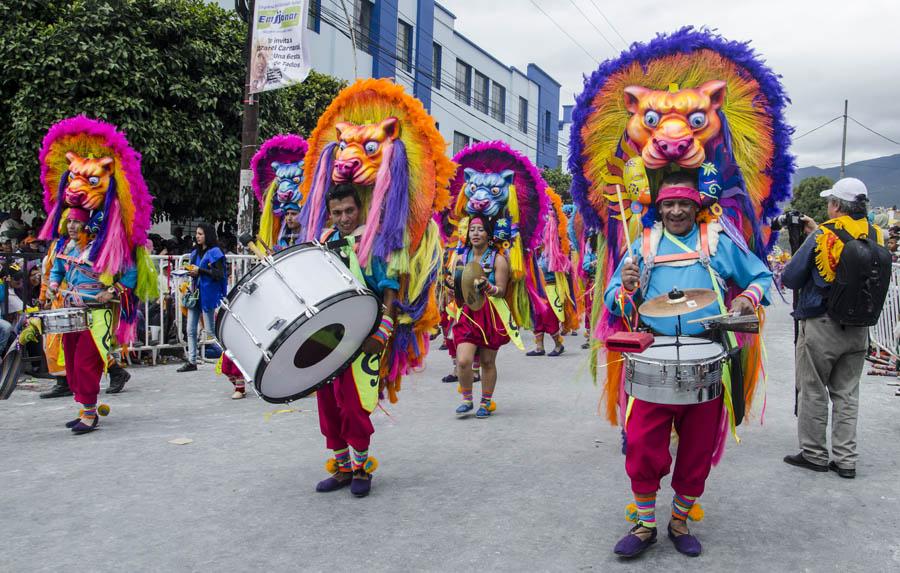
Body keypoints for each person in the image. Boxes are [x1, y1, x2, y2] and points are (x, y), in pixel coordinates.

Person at [604, 173, 773, 557]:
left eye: (683, 204)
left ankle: (679, 521)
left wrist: (748, 297)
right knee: (643, 447)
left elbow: (760, 275)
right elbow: (614, 298)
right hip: (653, 356)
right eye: (668, 204)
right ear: (658, 208)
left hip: (706, 356)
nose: (676, 211)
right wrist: (625, 288)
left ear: (696, 208)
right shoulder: (643, 245)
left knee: (697, 449)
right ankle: (645, 524)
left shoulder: (716, 242)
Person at [781, 178, 884, 479]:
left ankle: (814, 453)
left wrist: (811, 238)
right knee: (847, 393)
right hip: (859, 326)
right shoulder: (876, 234)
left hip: (822, 324)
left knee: (813, 389)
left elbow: (790, 276)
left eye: (830, 202)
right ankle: (846, 459)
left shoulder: (824, 234)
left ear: (837, 205)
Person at [313, 184, 398, 497]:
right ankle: (343, 468)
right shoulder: (323, 243)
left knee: (353, 405)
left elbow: (389, 289)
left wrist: (382, 333)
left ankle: (362, 467)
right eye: (337, 212)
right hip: (326, 337)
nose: (344, 217)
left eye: (349, 210)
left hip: (364, 337)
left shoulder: (374, 243)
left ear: (359, 208)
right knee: (327, 405)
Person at [47, 208, 137, 433]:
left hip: (97, 314)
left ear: (88, 225)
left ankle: (89, 415)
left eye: (77, 222)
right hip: (72, 312)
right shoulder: (65, 247)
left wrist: (112, 290)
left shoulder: (104, 248)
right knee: (72, 363)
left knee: (86, 363)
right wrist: (54, 285)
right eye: (70, 222)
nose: (71, 226)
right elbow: (57, 271)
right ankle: (86, 410)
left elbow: (131, 272)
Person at [451, 217, 511, 419]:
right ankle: (467, 399)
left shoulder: (498, 259)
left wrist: (489, 287)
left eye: (480, 230)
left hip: (490, 314)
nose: (475, 233)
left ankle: (486, 402)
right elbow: (457, 287)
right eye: (472, 230)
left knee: (487, 361)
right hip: (468, 313)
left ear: (488, 234)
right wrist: (452, 287)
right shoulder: (461, 256)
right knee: (463, 360)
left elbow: (501, 291)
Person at [178, 223, 227, 372]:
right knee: (190, 329)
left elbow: (219, 274)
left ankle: (230, 357)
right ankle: (192, 361)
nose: (197, 236)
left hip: (208, 295)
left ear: (208, 235)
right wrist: (187, 271)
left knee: (211, 330)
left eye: (201, 234)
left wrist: (201, 271)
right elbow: (195, 270)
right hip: (195, 294)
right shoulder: (194, 253)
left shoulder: (215, 252)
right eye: (197, 234)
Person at [527, 246, 565, 357]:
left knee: (549, 319)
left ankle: (559, 345)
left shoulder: (553, 252)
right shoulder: (535, 253)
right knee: (537, 319)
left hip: (550, 290)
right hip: (537, 291)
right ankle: (539, 348)